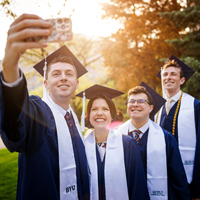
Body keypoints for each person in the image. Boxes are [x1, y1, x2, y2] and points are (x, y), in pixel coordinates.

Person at [0, 14, 90, 200]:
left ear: (76, 83)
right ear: (46, 84)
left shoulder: (73, 120)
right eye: (56, 73)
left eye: (69, 74)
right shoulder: (38, 113)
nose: (63, 77)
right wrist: (10, 65)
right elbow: (17, 117)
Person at [118, 82, 191, 200]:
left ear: (150, 108)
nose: (135, 104)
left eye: (141, 101)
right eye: (131, 101)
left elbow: (178, 178)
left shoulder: (166, 138)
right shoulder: (116, 136)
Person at [76, 84, 150, 200]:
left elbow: (137, 187)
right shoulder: (82, 147)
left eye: (105, 109)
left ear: (112, 115)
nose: (99, 113)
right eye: (94, 109)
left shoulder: (127, 144)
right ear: (89, 115)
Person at [155, 55, 200, 200]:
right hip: (161, 175)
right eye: (165, 74)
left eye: (173, 74)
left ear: (182, 80)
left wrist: (198, 186)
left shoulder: (194, 106)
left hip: (186, 179)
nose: (168, 77)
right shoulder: (156, 109)